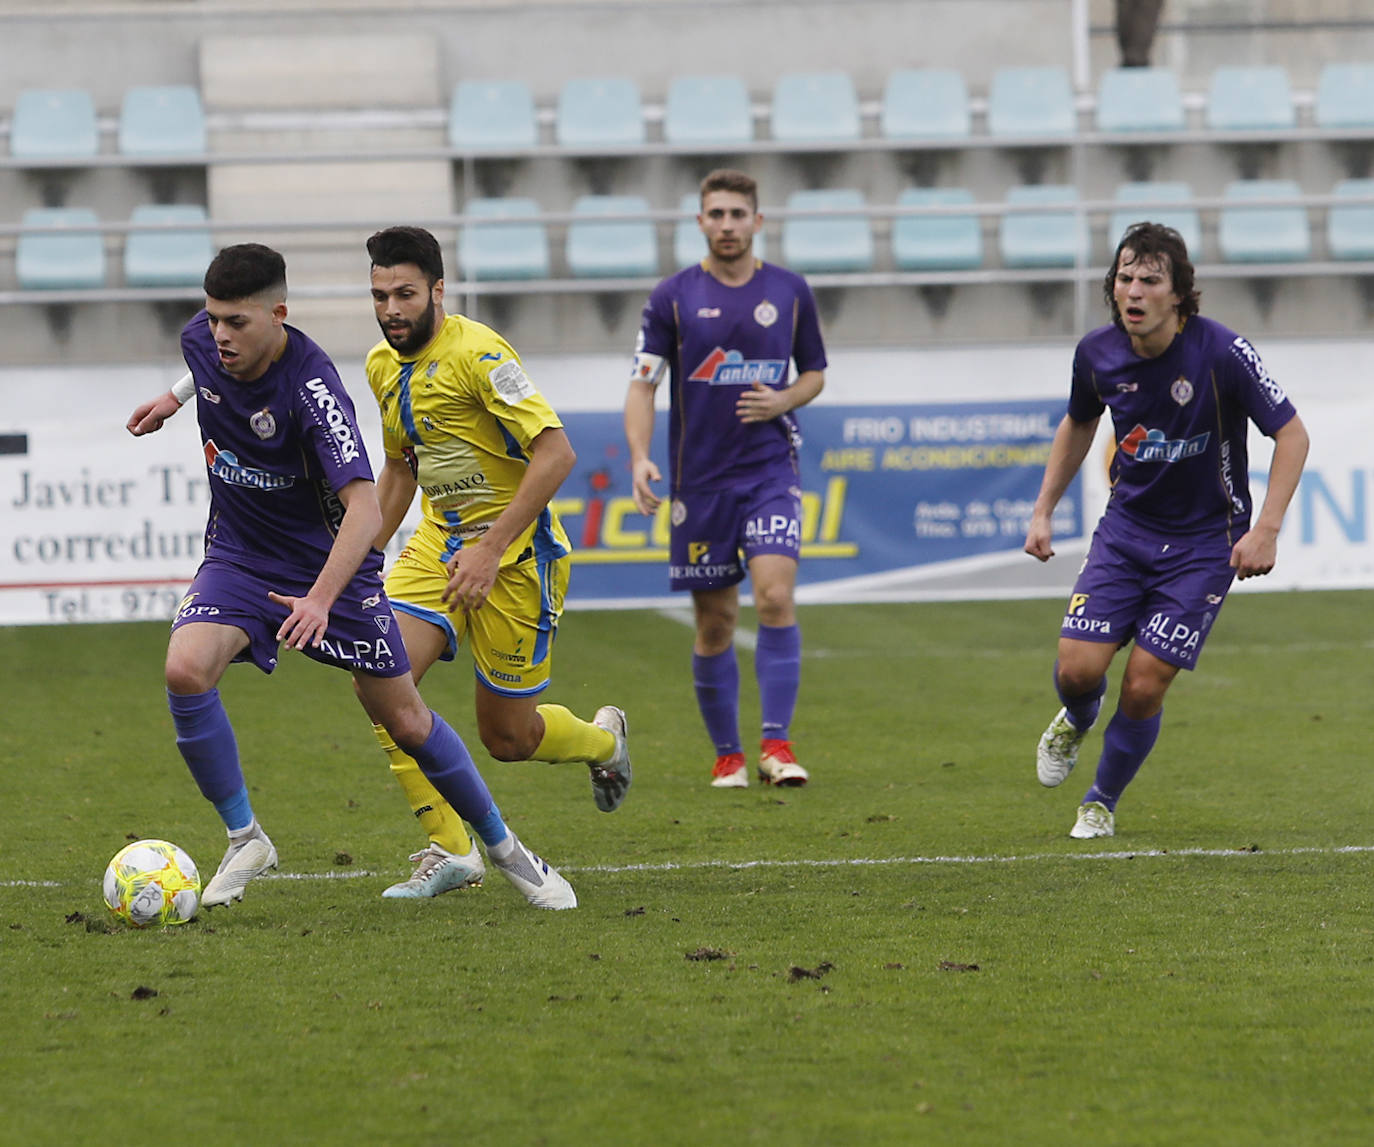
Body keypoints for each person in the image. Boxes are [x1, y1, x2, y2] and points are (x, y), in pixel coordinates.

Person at [125, 243, 577, 910]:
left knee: (414, 715)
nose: (220, 334)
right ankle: (246, 836)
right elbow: (204, 357)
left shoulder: (316, 390)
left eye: (236, 323)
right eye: (214, 318)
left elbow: (365, 505)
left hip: (332, 564)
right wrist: (171, 397)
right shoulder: (206, 341)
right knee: (185, 671)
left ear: (277, 316)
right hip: (241, 554)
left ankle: (507, 848)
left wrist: (324, 595)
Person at [360, 225, 631, 899]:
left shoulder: (481, 355)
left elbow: (557, 453)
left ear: (438, 291)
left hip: (515, 554)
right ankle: (452, 849)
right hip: (435, 544)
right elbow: (399, 468)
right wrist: (362, 556)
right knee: (381, 680)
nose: (392, 309)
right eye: (380, 295)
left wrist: (489, 548)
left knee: (506, 737)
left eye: (405, 293)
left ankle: (604, 743)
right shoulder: (380, 366)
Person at [1025, 221, 1309, 839]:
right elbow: (1078, 423)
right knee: (1077, 670)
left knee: (1147, 681)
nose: (1133, 290)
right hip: (1127, 530)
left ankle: (1100, 801)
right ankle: (1077, 716)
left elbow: (1292, 434)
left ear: (1178, 293)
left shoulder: (1223, 353)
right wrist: (1044, 507)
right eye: (1124, 277)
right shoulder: (1096, 354)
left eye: (1149, 280)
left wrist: (1267, 529)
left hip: (1207, 542)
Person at [624, 168, 827, 789]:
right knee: (715, 623)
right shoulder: (672, 298)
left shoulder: (791, 292)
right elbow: (642, 383)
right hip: (700, 483)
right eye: (716, 214)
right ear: (701, 222)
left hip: (768, 473)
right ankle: (728, 756)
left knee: (773, 597)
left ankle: (777, 746)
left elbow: (815, 373)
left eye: (739, 214)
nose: (728, 225)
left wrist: (784, 399)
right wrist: (638, 455)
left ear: (758, 221)